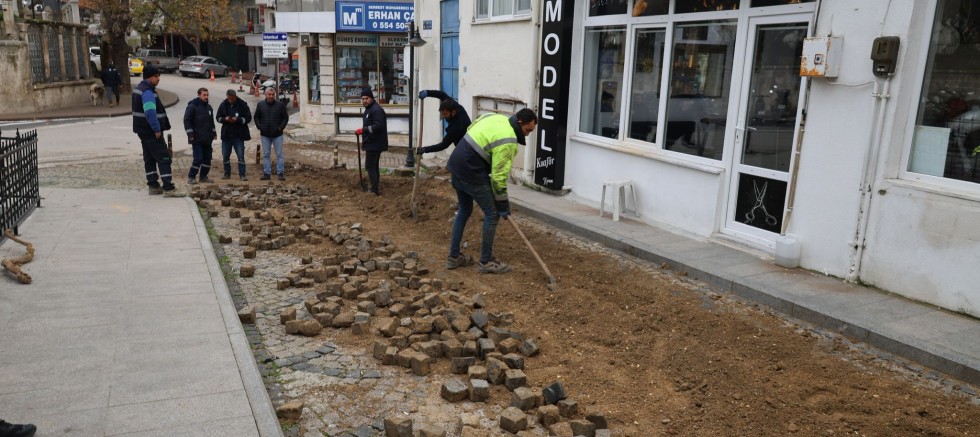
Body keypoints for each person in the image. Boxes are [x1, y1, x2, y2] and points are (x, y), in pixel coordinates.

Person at [443, 108, 537, 273]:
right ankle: (486, 262)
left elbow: (471, 128)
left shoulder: (494, 117)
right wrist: (503, 205)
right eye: (528, 130)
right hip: (471, 171)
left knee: (464, 209)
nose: (528, 134)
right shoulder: (508, 141)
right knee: (492, 214)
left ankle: (454, 257)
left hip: (456, 163)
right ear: (520, 122)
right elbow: (498, 178)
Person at [132, 64, 180, 196]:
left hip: (142, 131)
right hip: (151, 131)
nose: (158, 79)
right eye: (156, 76)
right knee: (163, 157)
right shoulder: (147, 92)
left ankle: (153, 185)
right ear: (149, 77)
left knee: (149, 158)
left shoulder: (139, 89)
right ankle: (168, 188)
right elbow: (150, 113)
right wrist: (157, 129)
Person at [415, 89, 471, 156]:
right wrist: (427, 93)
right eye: (442, 114)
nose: (443, 116)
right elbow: (442, 94)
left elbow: (443, 145)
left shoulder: (456, 127)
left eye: (445, 114)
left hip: (466, 149)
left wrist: (425, 149)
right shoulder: (452, 105)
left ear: (453, 112)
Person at [354, 87, 387, 195]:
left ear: (372, 98)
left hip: (375, 143)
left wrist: (363, 130)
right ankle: (375, 187)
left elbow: (379, 126)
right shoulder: (369, 109)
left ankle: (373, 189)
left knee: (369, 165)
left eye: (366, 98)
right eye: (362, 99)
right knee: (373, 165)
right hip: (371, 142)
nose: (364, 101)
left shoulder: (376, 110)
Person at [254, 88, 289, 181]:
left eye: (273, 94)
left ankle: (280, 173)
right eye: (269, 94)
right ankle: (267, 173)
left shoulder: (280, 105)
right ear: (265, 95)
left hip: (278, 135)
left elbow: (285, 118)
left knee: (280, 154)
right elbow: (256, 117)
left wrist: (280, 128)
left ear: (275, 95)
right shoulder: (260, 105)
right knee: (266, 154)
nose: (271, 96)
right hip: (265, 134)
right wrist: (259, 126)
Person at [215, 89, 252, 180]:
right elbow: (218, 117)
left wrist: (238, 120)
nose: (230, 100)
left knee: (240, 156)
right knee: (225, 156)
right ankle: (227, 174)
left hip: (238, 135)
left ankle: (242, 175)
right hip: (226, 135)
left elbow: (248, 118)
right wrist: (225, 119)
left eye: (232, 98)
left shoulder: (242, 104)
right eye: (229, 99)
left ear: (235, 96)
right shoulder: (223, 104)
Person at [183, 87, 216, 184]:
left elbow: (211, 122)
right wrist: (190, 134)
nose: (206, 97)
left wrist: (214, 133)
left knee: (207, 158)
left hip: (207, 138)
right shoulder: (192, 106)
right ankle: (191, 177)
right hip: (197, 138)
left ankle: (203, 176)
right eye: (204, 95)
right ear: (199, 95)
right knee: (198, 158)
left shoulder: (209, 108)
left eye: (207, 95)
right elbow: (187, 120)